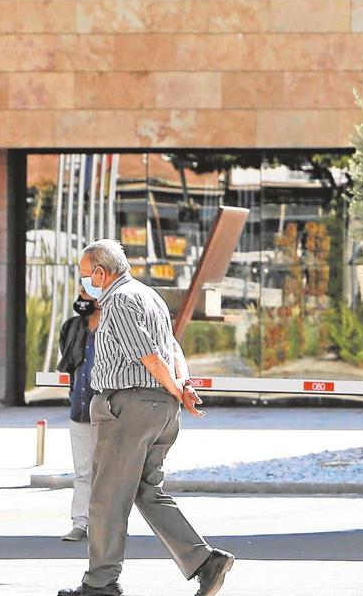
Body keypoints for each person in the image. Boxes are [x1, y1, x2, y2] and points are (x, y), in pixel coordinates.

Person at [58, 240, 233, 596]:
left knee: (106, 497)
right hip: (156, 410)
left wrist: (175, 389)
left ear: (102, 272)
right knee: (146, 491)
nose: (84, 284)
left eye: (86, 275)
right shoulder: (148, 295)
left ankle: (100, 583)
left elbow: (151, 357)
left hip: (128, 408)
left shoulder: (119, 300)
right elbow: (173, 348)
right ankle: (205, 561)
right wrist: (181, 386)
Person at [57, 288, 102, 542]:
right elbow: (72, 366)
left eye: (88, 295)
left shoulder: (112, 329)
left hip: (107, 411)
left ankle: (104, 526)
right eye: (81, 293)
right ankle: (80, 523)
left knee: (106, 472)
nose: (81, 299)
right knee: (82, 471)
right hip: (80, 409)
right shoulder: (73, 328)